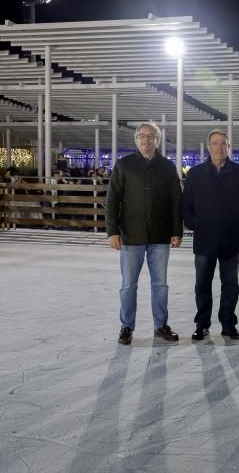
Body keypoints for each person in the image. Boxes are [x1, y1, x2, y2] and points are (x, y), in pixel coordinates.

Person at [105, 123, 182, 345]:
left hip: (160, 235)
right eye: (141, 136)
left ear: (158, 139)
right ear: (136, 139)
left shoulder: (167, 167)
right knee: (128, 284)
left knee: (160, 284)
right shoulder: (124, 165)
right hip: (131, 236)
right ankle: (126, 327)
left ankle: (161, 325)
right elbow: (112, 201)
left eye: (150, 136)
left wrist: (176, 231)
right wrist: (112, 232)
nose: (146, 140)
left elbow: (176, 201)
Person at [182, 130, 239, 342]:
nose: (219, 147)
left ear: (229, 147)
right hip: (204, 239)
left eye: (223, 143)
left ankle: (228, 325)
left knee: (230, 285)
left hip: (231, 238)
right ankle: (202, 325)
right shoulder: (195, 173)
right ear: (208, 146)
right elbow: (187, 204)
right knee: (202, 284)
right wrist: (194, 224)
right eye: (215, 143)